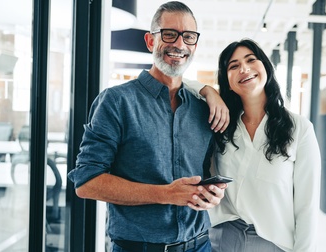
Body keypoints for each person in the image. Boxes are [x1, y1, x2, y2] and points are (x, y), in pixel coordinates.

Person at [67, 2, 229, 252]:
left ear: (195, 44)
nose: (179, 44)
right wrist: (166, 194)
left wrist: (211, 193)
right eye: (169, 34)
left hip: (200, 244)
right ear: (150, 41)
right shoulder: (117, 101)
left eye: (188, 36)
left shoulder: (202, 108)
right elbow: (86, 182)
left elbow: (205, 172)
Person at [198, 39, 321, 252]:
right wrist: (208, 90)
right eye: (233, 66)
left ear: (266, 67)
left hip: (273, 241)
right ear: (227, 81)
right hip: (223, 237)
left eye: (251, 60)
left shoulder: (299, 127)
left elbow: (307, 205)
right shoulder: (222, 125)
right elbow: (182, 85)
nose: (244, 69)